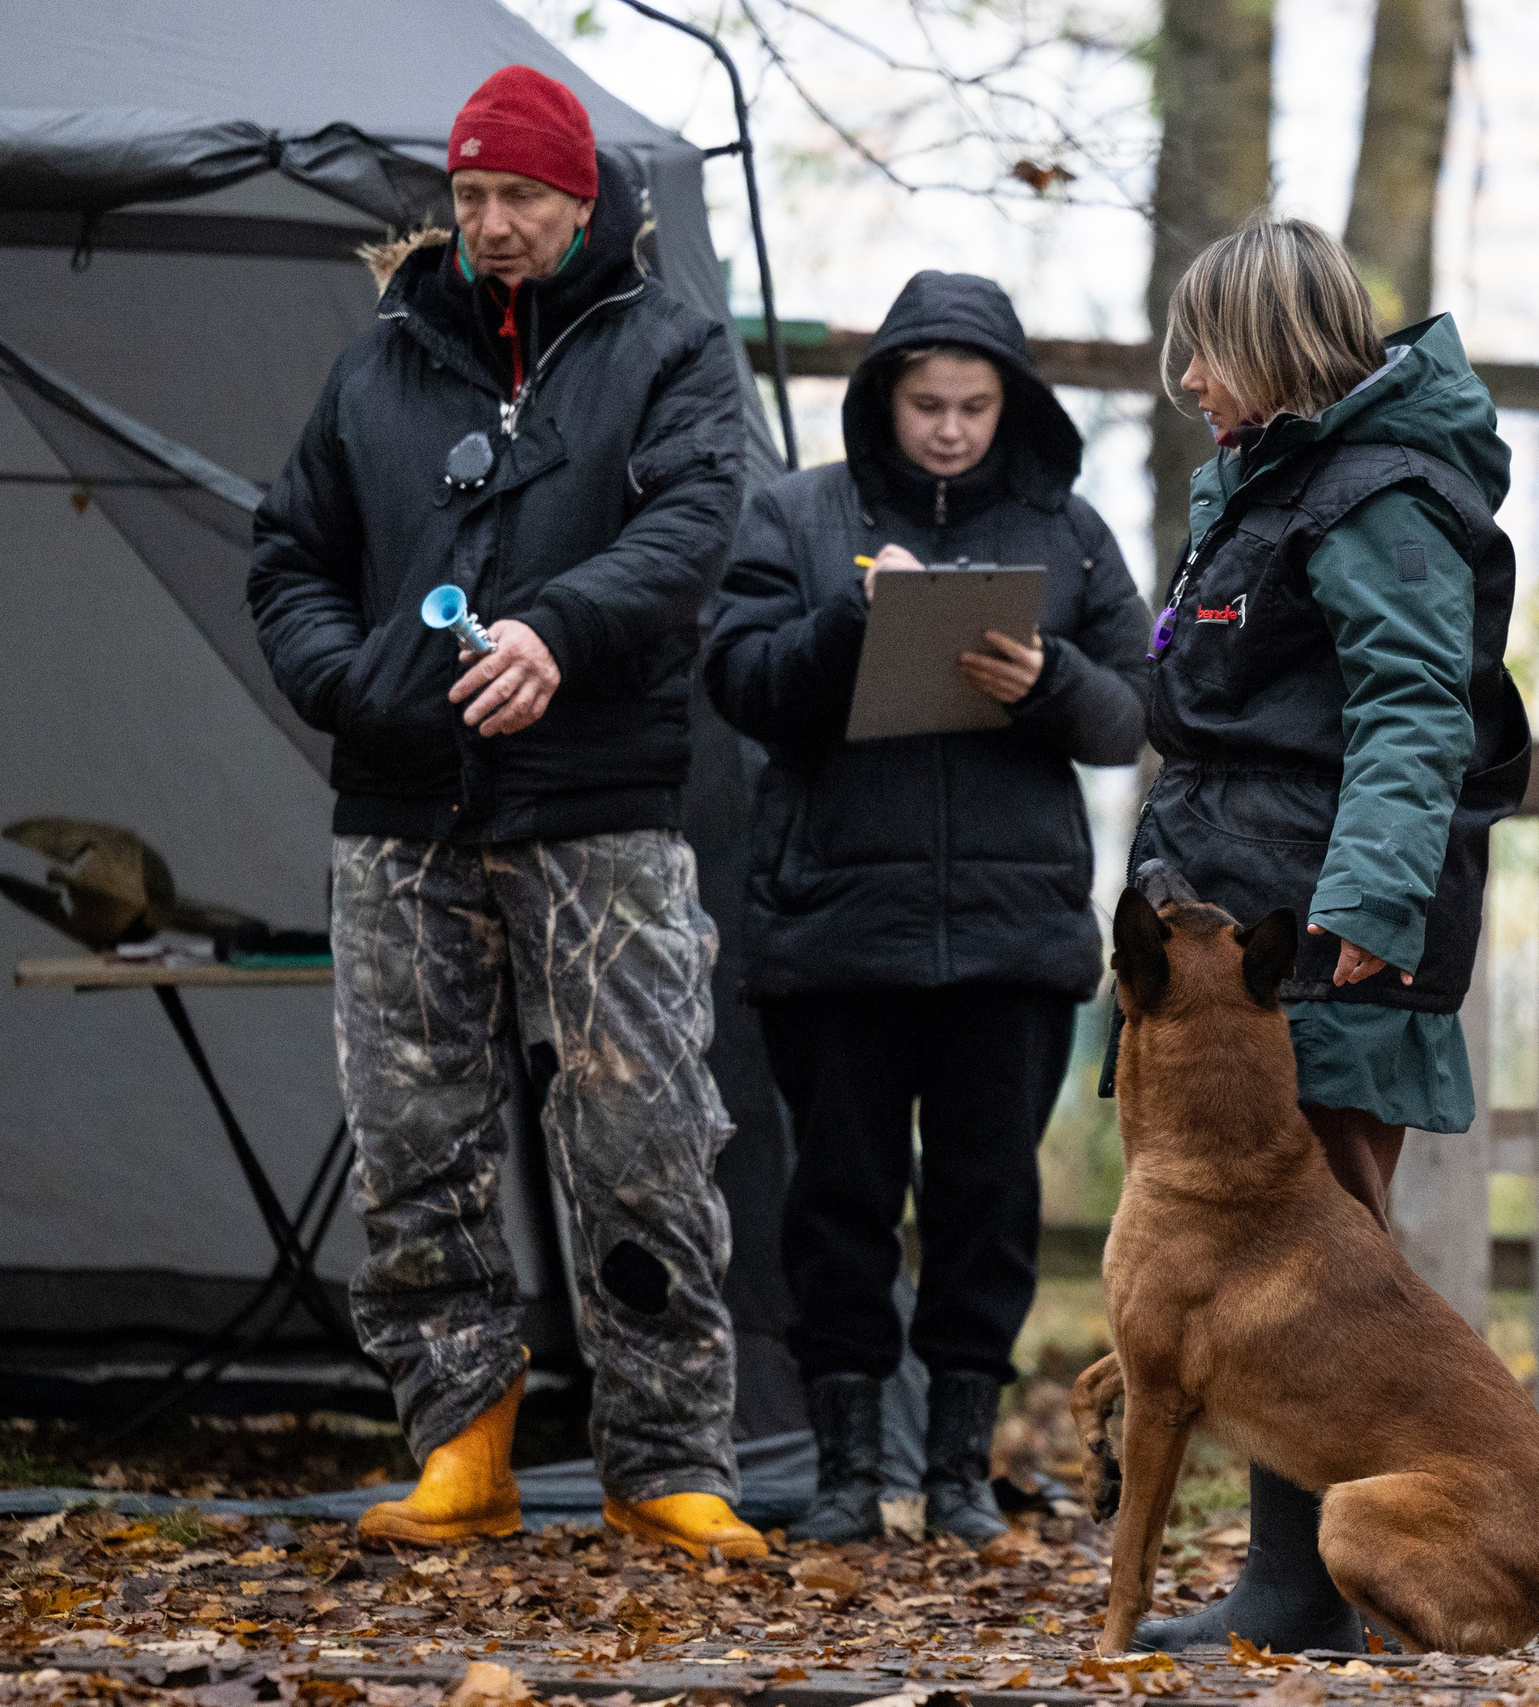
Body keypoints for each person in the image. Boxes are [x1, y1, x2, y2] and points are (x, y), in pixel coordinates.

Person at [246, 65, 764, 1560]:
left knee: (643, 1135)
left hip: (596, 811)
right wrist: (351, 678)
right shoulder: (382, 361)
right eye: (469, 199)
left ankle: (664, 1461)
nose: (490, 226)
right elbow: (289, 552)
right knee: (413, 1138)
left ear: (582, 197)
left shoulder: (672, 349)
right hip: (400, 814)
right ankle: (459, 1447)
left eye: (519, 198)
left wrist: (559, 630)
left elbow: (689, 527)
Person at [1108, 215, 1531, 1650]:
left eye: (1205, 351)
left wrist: (1364, 903)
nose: (1186, 381)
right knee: (1245, 1274)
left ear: (1275, 346)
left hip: (1327, 931)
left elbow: (1418, 706)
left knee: (1325, 1260)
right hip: (1237, 909)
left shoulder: (1381, 492)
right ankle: (1288, 1585)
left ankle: (1310, 1589)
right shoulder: (1262, 488)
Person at [702, 270, 1151, 1545]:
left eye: (972, 404)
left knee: (986, 1208)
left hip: (1010, 942)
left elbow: (1132, 715)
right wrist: (854, 612)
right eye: (925, 404)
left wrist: (1046, 678)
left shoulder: (1066, 533)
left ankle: (957, 1473)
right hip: (838, 931)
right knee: (837, 1202)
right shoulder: (795, 518)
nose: (949, 428)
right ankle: (849, 1475)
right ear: (881, 400)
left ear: (1011, 405)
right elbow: (737, 683)